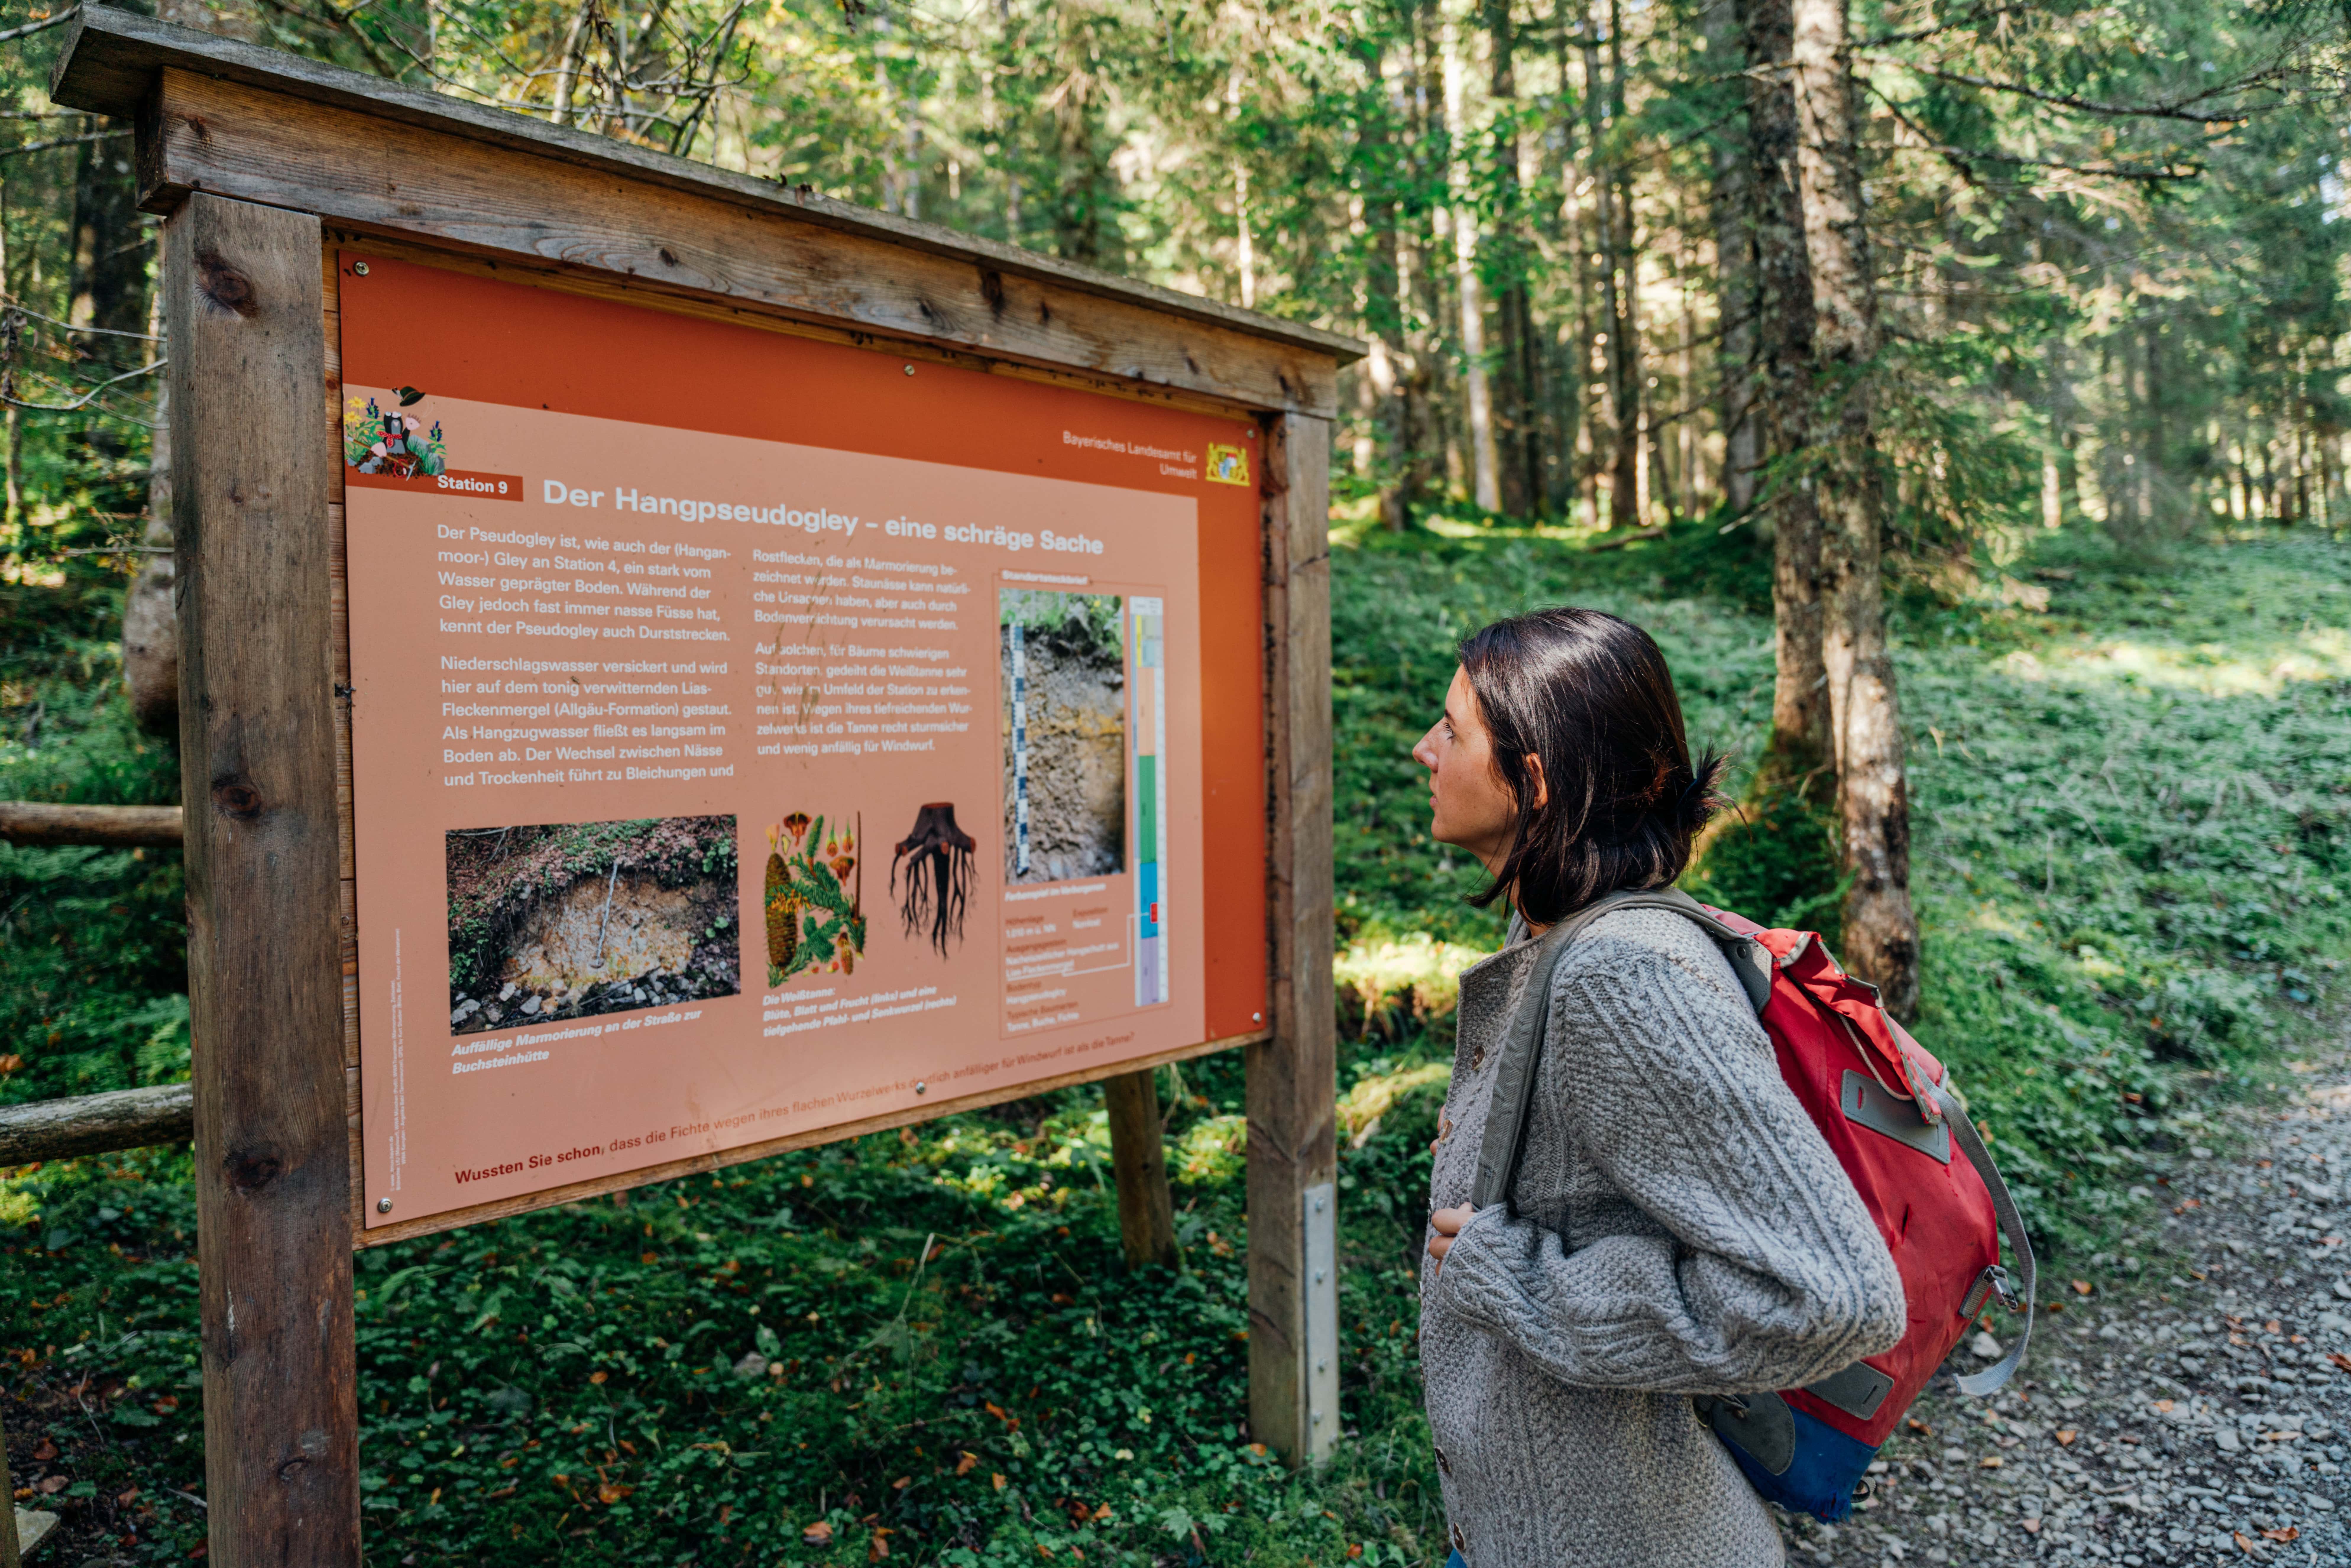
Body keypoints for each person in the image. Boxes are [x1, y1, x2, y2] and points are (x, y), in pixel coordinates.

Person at [1411, 607, 1905, 1568]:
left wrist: (1517, 1277)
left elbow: (1836, 1296)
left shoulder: (1623, 978)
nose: (1425, 749)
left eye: (1454, 730)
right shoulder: (1555, 938)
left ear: (1536, 778)